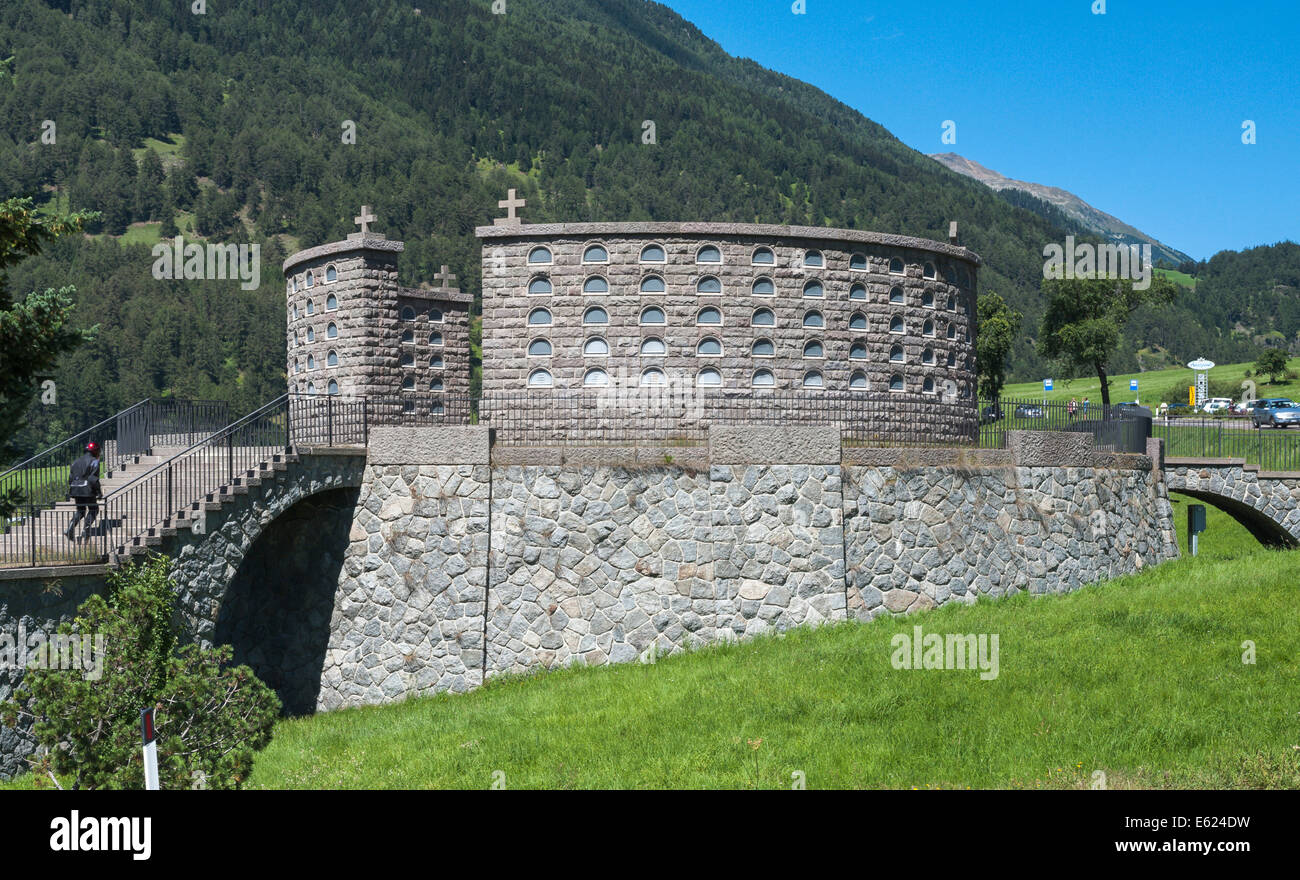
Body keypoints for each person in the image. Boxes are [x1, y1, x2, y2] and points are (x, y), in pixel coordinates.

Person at [65, 441, 103, 541]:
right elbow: (93, 478)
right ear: (95, 451)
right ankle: (86, 530)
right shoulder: (94, 461)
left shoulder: (76, 461)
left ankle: (70, 528)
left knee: (80, 511)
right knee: (94, 510)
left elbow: (70, 478)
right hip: (87, 489)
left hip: (75, 488)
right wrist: (99, 492)